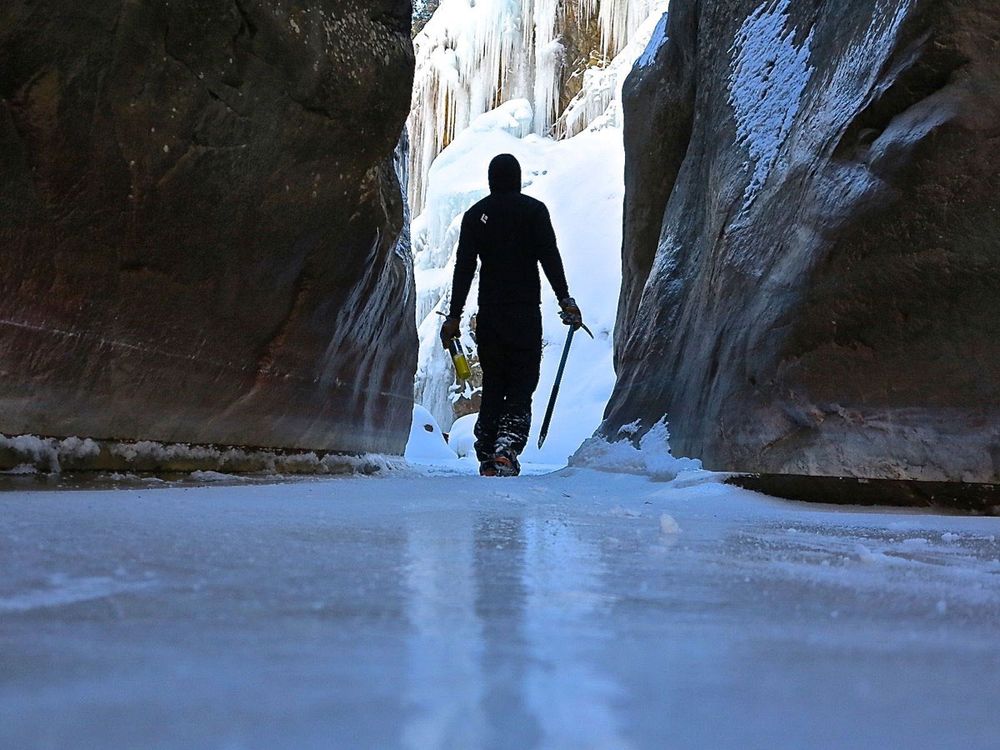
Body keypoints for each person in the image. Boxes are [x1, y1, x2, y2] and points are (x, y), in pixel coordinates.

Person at [440, 153, 583, 477]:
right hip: (524, 315)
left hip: (489, 316)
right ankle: (506, 448)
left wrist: (454, 316)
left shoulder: (477, 215)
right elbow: (549, 258)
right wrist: (565, 299)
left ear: (491, 180)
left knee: (493, 383)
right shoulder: (533, 211)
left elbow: (464, 268)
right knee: (521, 383)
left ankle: (488, 453)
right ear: (517, 179)